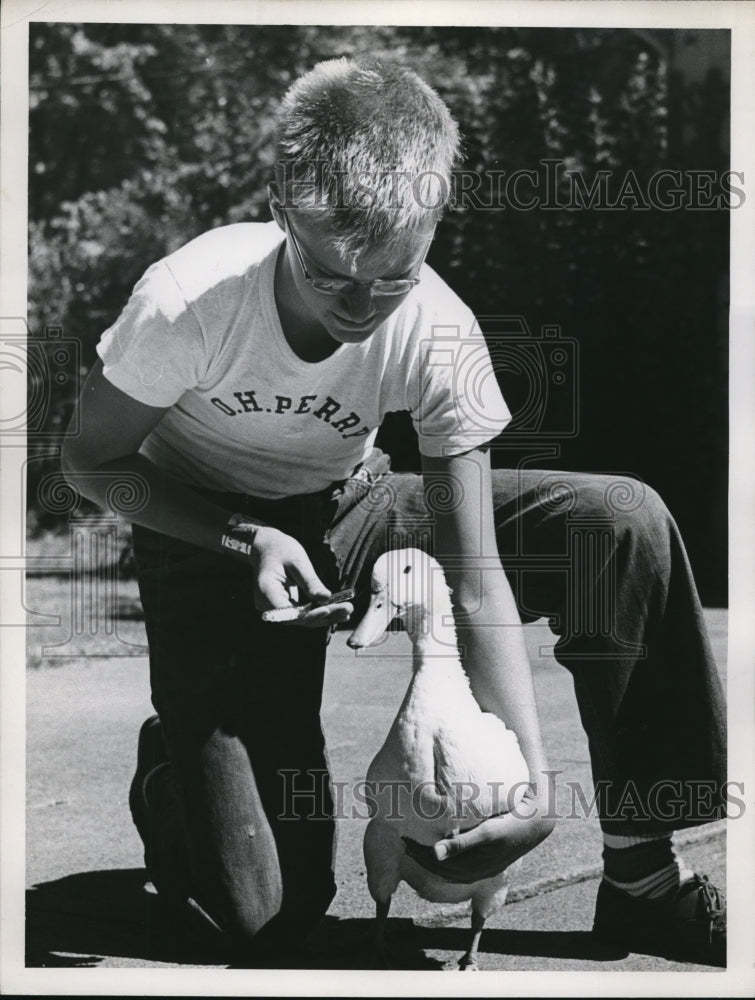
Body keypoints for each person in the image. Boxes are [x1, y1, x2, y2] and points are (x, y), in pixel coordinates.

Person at [62, 56, 727, 967]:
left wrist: (527, 789)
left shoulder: (440, 330)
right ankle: (175, 768)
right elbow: (93, 463)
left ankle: (643, 880)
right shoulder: (190, 300)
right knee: (263, 920)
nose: (361, 310)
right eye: (332, 277)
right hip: (206, 538)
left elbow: (473, 566)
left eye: (393, 278)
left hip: (354, 507)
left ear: (432, 225)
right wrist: (240, 536)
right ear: (281, 208)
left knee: (617, 521)